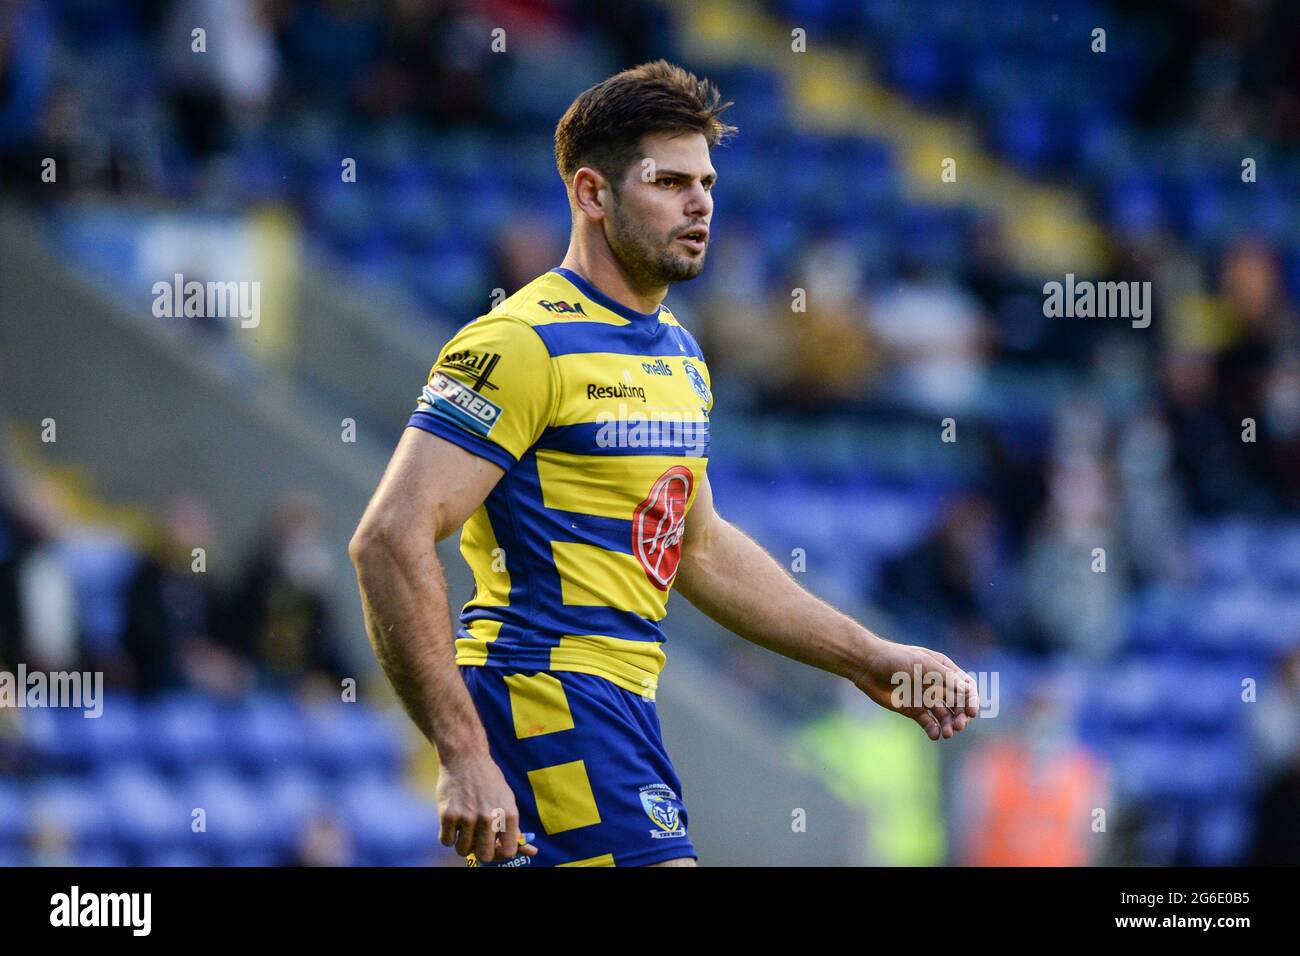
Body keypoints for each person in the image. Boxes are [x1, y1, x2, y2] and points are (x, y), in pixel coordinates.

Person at [348, 60, 979, 868]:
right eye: (670, 181)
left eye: (708, 182)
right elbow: (390, 536)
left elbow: (699, 547)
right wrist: (464, 754)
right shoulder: (521, 341)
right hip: (547, 693)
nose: (701, 203)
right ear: (592, 194)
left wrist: (869, 656)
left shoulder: (679, 353)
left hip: (624, 704)